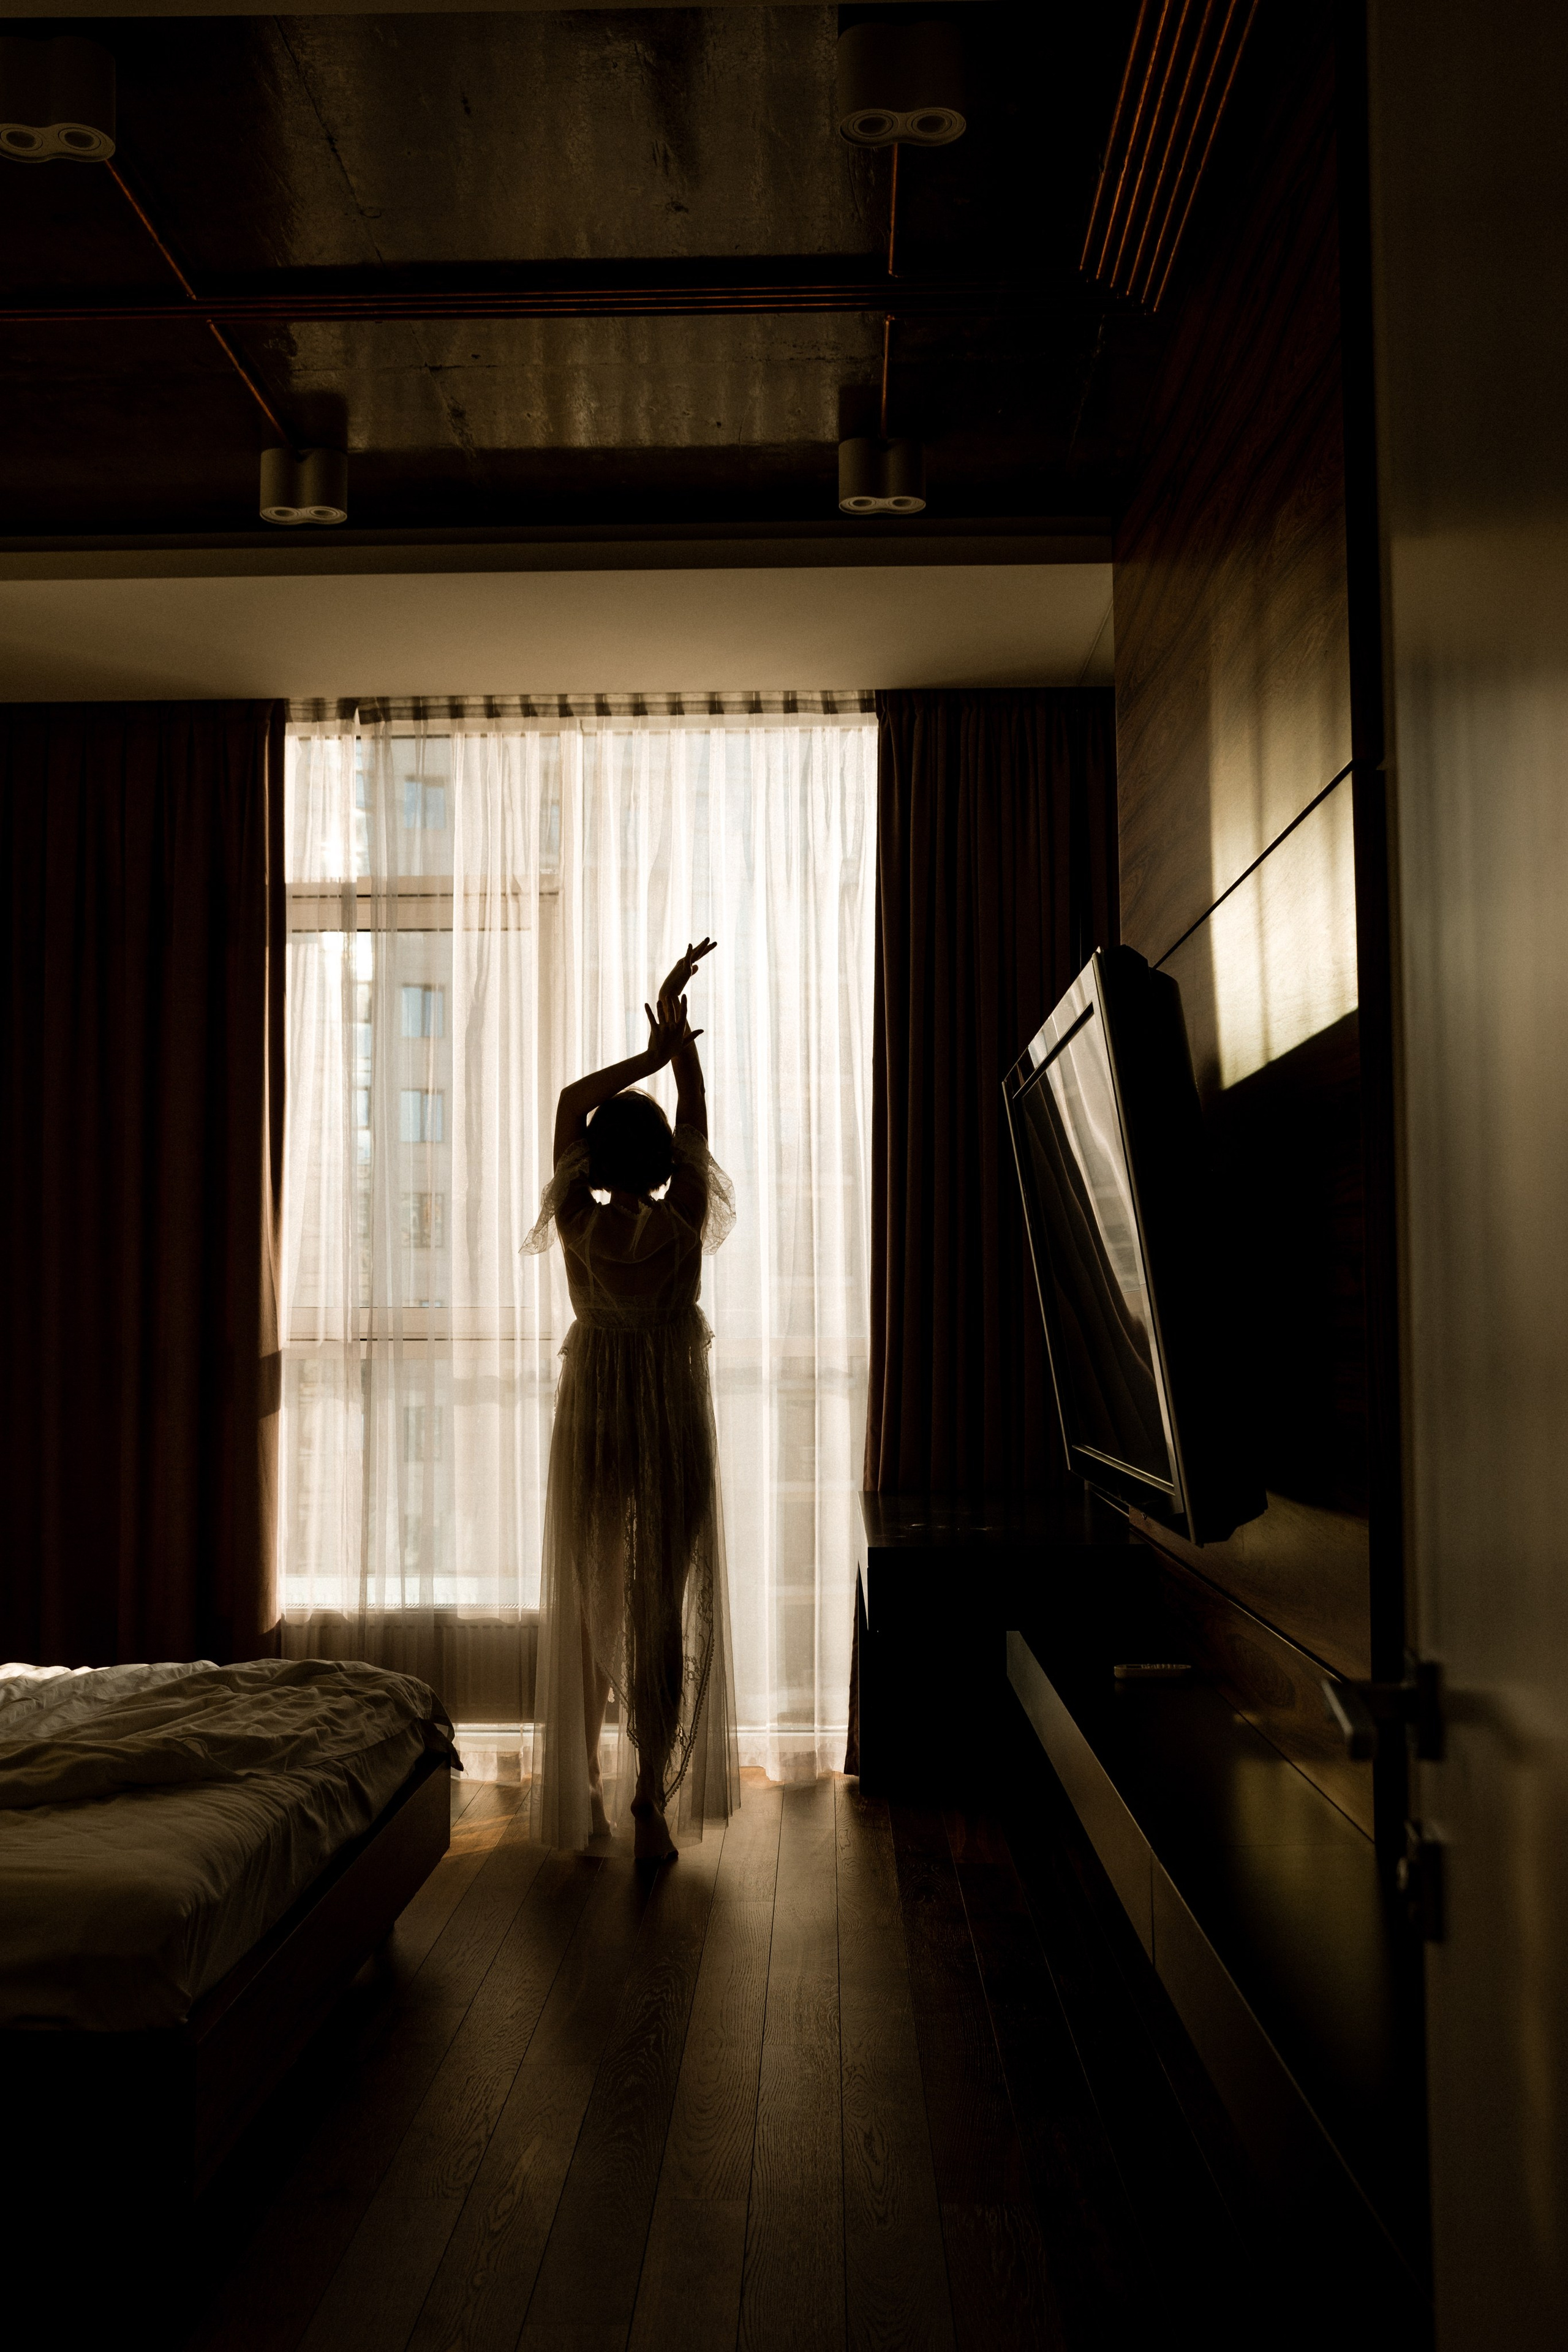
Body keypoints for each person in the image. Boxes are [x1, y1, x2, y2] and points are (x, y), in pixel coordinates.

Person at [522, 938, 739, 1863]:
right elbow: (693, 1116)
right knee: (662, 1597)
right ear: (660, 1160)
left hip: (599, 1401)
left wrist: (648, 1054)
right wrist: (677, 1038)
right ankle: (650, 1791)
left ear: (594, 1160)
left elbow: (574, 1103)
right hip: (670, 1404)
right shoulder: (685, 1212)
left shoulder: (575, 1221)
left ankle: (588, 1796)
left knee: (588, 1596)